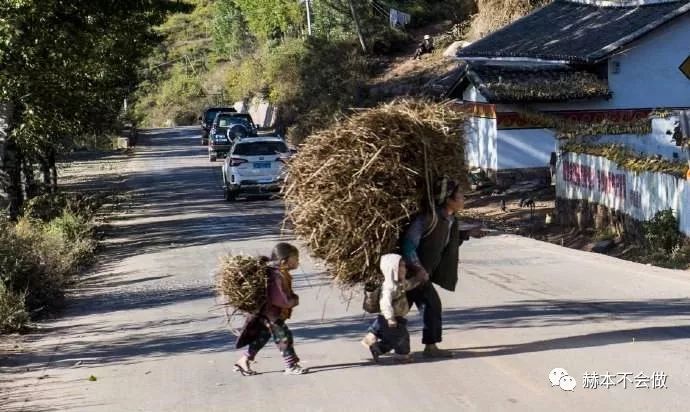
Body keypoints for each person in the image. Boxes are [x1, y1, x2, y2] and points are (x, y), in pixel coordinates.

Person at [401, 177, 477, 358]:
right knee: (432, 305)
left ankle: (373, 338)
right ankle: (430, 347)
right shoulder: (428, 219)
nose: (463, 199)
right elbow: (408, 244)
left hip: (423, 273)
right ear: (448, 200)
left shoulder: (450, 220)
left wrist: (466, 234)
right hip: (413, 273)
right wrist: (418, 269)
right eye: (459, 196)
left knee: (399, 308)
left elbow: (445, 243)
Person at [233, 243, 308, 376]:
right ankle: (290, 365)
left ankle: (243, 360)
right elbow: (279, 300)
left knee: (263, 336)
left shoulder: (279, 273)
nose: (298, 261)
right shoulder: (276, 275)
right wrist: (293, 301)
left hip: (269, 314)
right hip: (272, 315)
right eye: (295, 258)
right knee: (284, 337)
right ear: (284, 261)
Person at [360, 254, 419, 363]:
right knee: (401, 338)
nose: (404, 269)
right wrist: (390, 318)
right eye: (401, 266)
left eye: (404, 266)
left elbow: (409, 284)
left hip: (396, 318)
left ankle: (376, 347)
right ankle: (402, 355)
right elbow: (385, 304)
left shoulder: (400, 283)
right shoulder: (389, 287)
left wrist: (418, 279)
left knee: (395, 339)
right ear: (392, 269)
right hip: (391, 319)